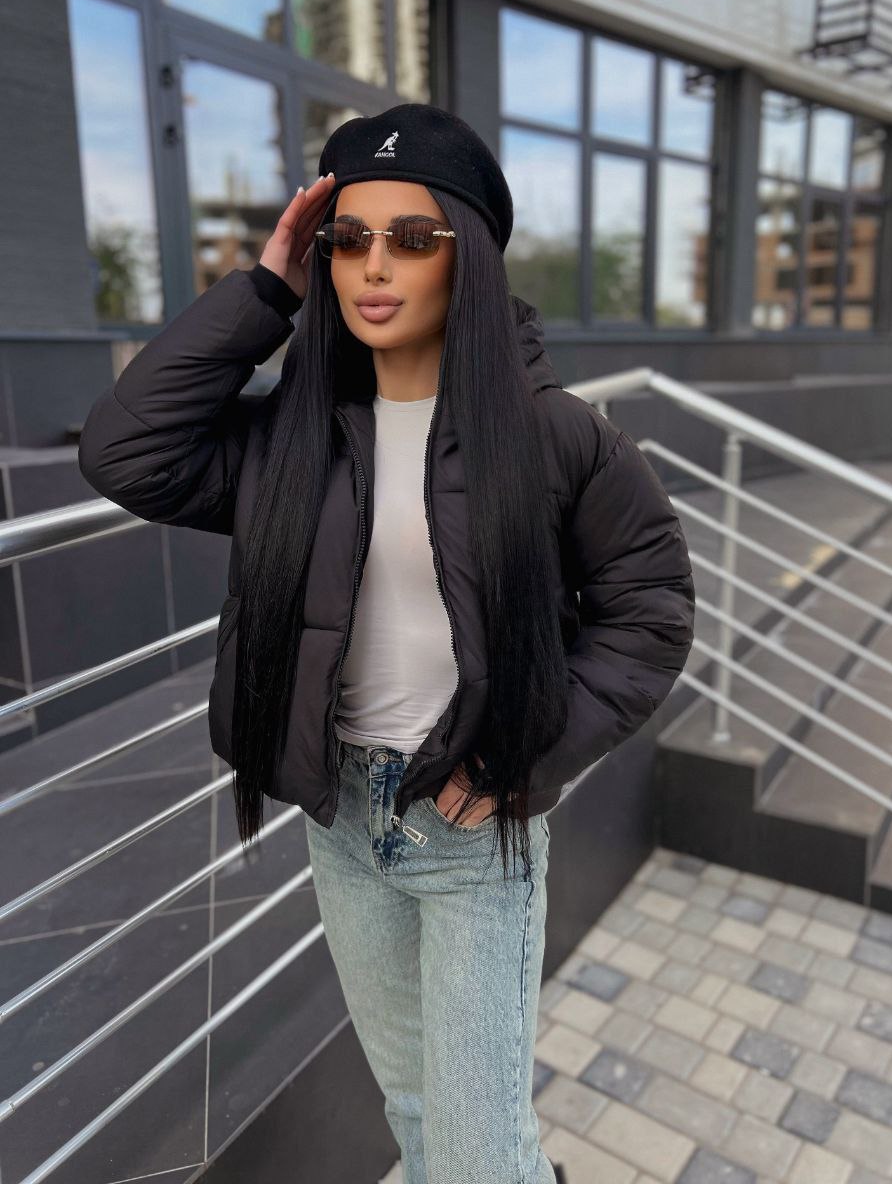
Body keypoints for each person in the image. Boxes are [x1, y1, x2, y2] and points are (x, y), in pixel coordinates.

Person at [77, 102, 696, 1184]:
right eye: (347, 238)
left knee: (479, 1152)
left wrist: (526, 758)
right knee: (415, 1109)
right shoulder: (291, 436)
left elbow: (649, 610)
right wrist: (265, 291)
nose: (373, 266)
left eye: (413, 238)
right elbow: (124, 452)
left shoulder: (555, 435)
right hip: (345, 820)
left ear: (470, 258)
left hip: (469, 826)